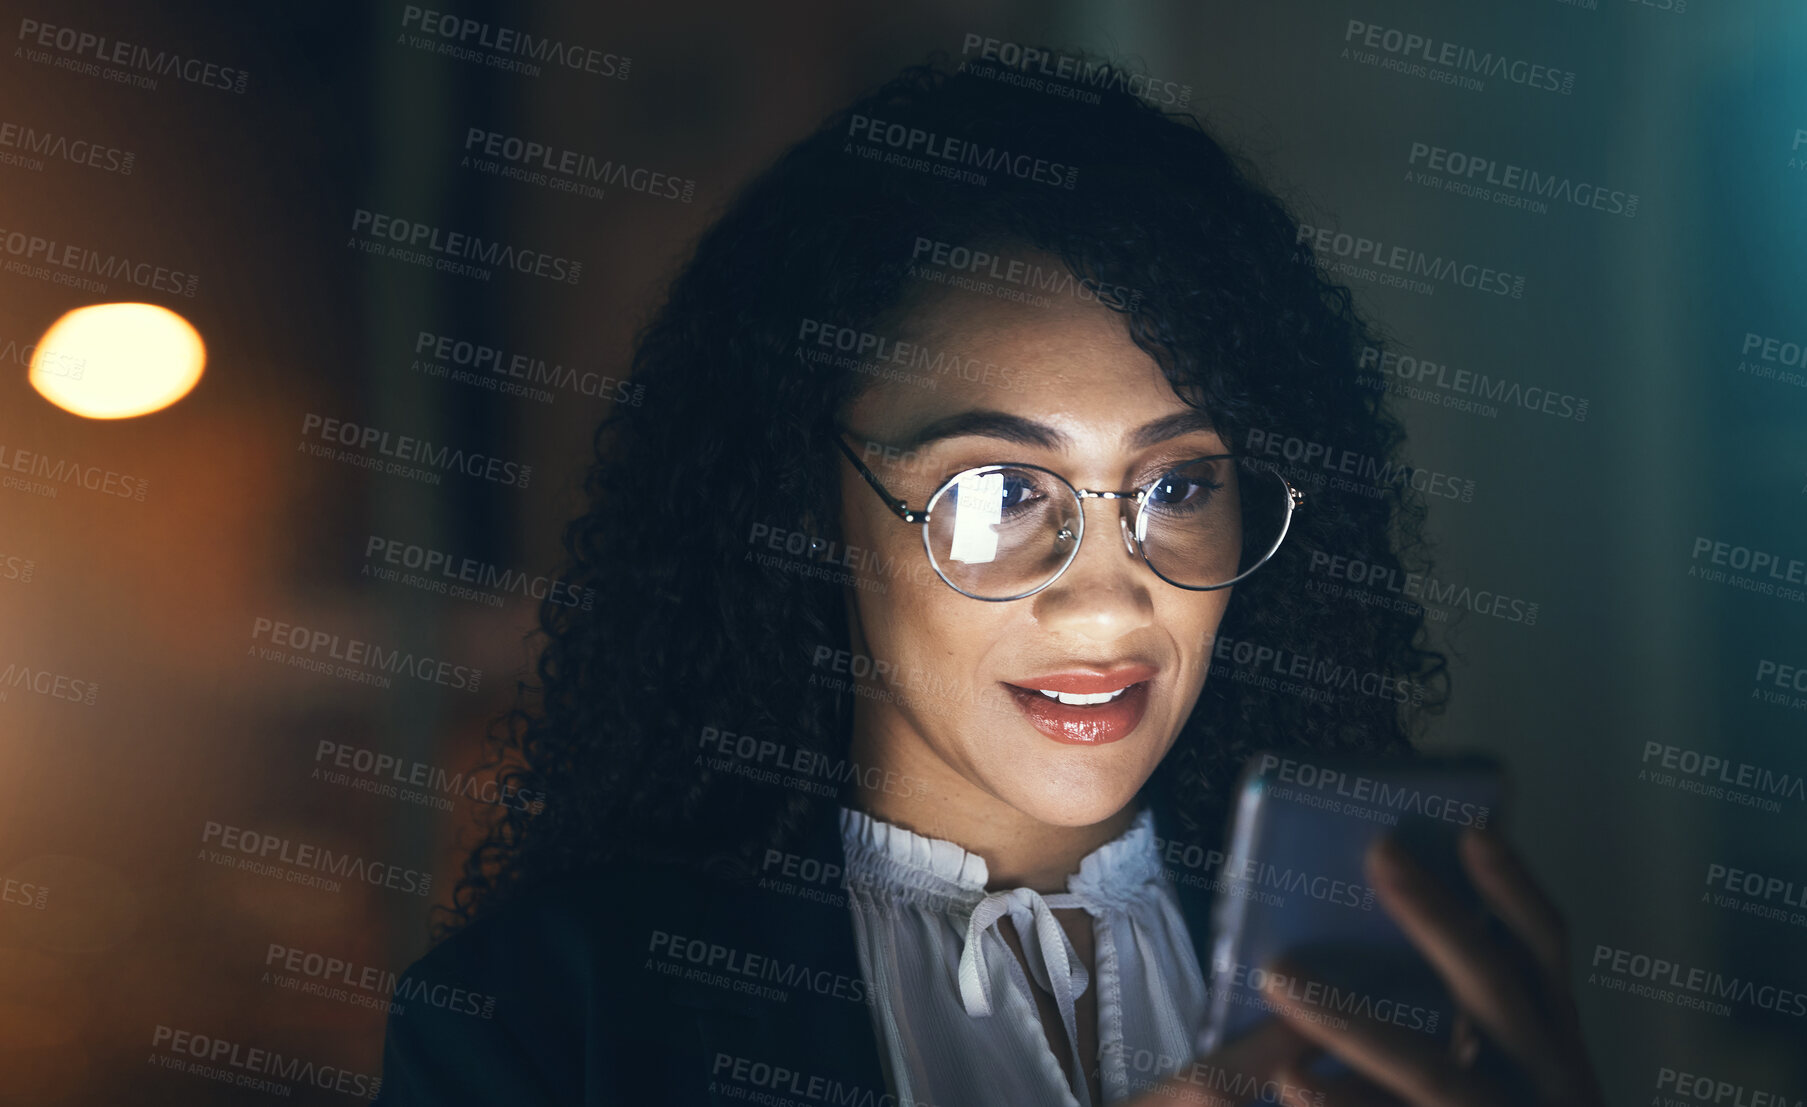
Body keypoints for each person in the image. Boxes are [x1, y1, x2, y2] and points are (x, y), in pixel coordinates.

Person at [372, 53, 1606, 1107]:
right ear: (808, 505)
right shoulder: (539, 1022)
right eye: (1001, 492)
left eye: (1178, 486)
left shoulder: (1385, 975)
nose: (1112, 599)